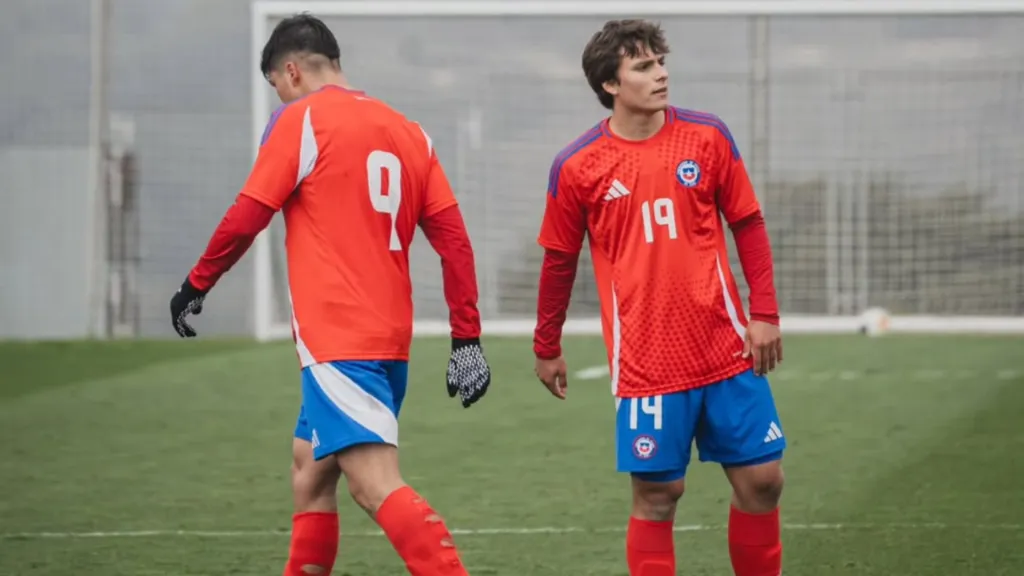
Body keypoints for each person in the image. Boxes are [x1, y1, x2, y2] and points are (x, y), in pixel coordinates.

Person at [168, 13, 491, 576]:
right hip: (388, 343)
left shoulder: (301, 121)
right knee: (309, 469)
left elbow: (248, 214)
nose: (278, 100)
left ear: (290, 71)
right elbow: (455, 243)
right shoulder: (409, 130)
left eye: (276, 87)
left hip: (339, 341)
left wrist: (198, 282)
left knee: (374, 486)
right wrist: (466, 338)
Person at [532, 19, 786, 576]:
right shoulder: (577, 166)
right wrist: (546, 344)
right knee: (658, 494)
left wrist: (764, 312)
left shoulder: (707, 136)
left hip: (726, 346)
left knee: (764, 481)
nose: (661, 74)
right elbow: (558, 260)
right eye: (644, 67)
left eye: (661, 62)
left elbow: (747, 222)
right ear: (610, 85)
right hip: (648, 362)